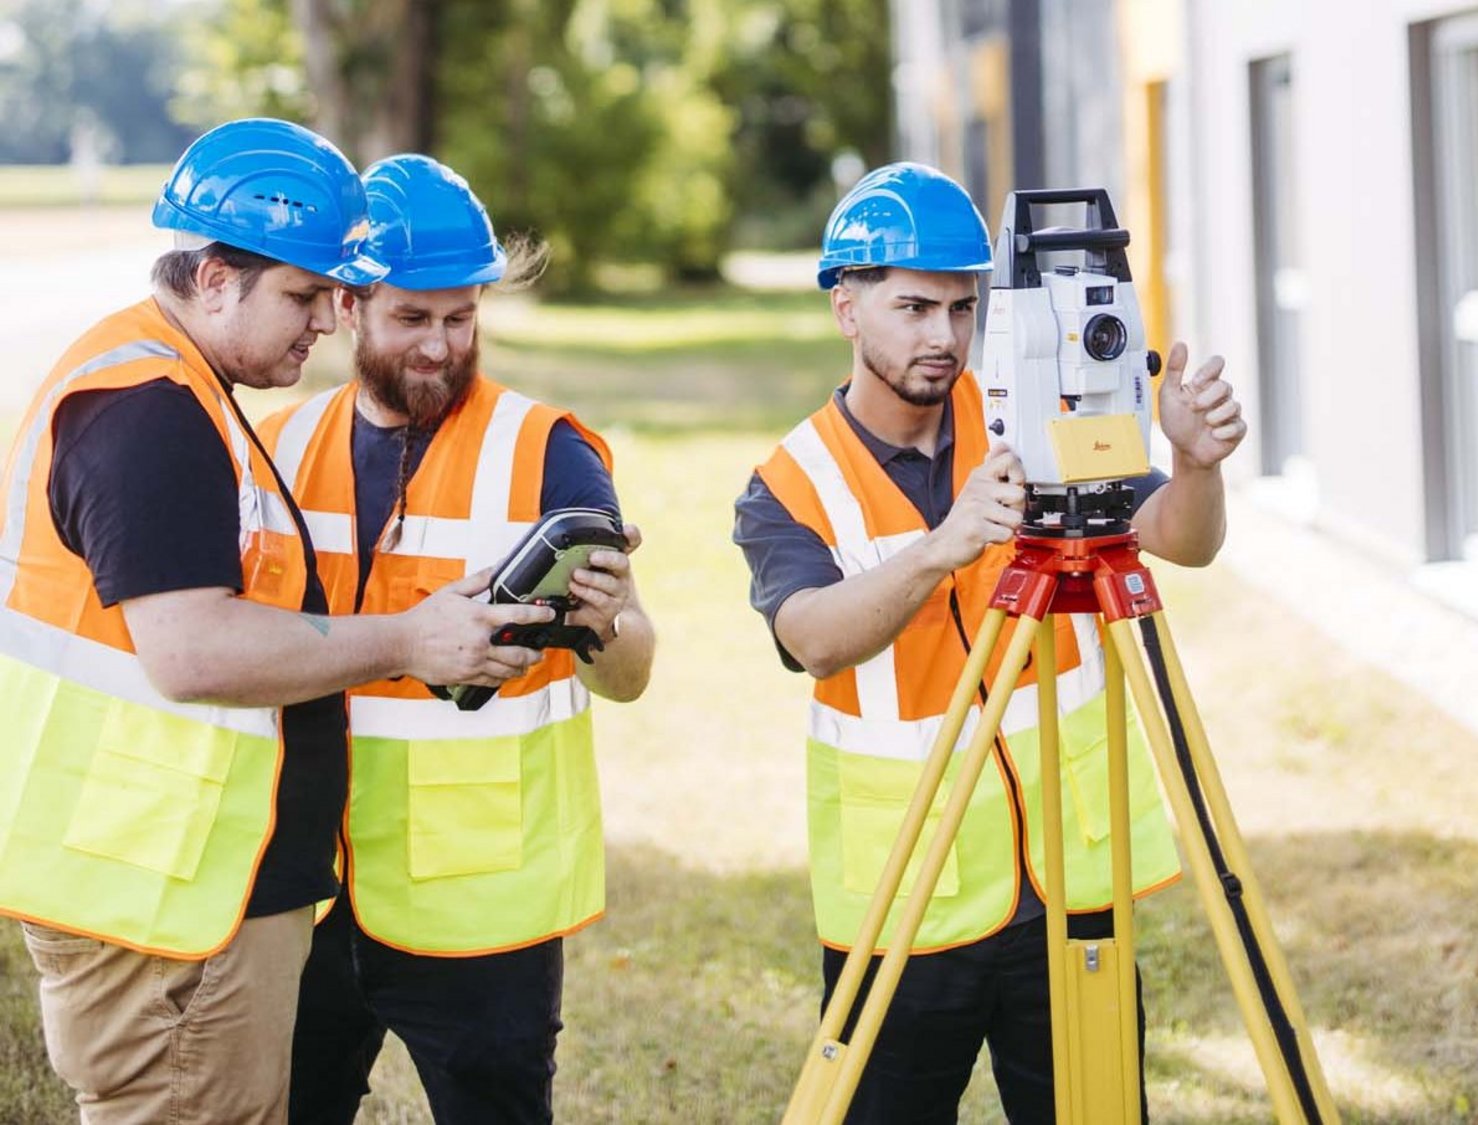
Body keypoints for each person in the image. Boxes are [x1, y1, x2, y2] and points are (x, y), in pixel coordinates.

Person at [0, 119, 555, 1124]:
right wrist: (403, 638)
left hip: (174, 882)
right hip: (165, 902)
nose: (327, 326)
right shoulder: (149, 412)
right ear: (215, 277)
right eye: (304, 296)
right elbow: (194, 648)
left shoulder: (183, 393)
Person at [733, 162, 1248, 1123]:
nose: (944, 338)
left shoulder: (1038, 408)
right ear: (846, 308)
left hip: (1066, 885)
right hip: (905, 899)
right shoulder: (791, 482)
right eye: (915, 308)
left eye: (963, 310)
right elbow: (811, 638)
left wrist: (1192, 463)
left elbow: (1181, 538)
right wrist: (942, 548)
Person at [257, 154, 655, 1125]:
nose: (441, 346)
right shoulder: (279, 448)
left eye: (461, 316)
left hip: (481, 909)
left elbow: (633, 672)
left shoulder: (548, 449)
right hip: (308, 889)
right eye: (413, 318)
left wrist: (609, 623)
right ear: (349, 307)